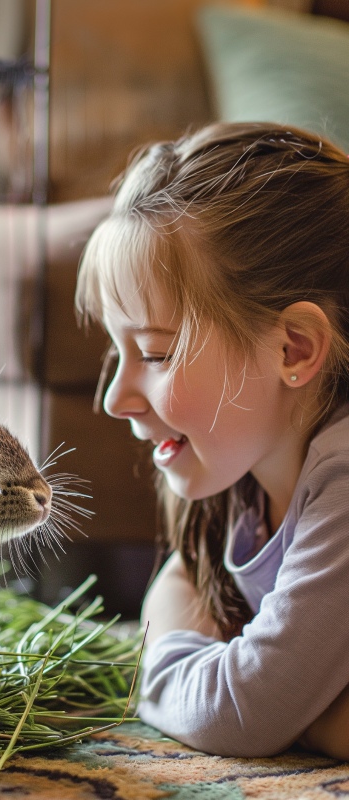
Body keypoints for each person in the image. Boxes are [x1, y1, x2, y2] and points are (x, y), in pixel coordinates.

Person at [75, 121, 349, 759]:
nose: (116, 399)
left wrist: (166, 658)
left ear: (294, 349)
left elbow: (242, 712)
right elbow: (181, 585)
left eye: (155, 352)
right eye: (119, 353)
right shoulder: (251, 473)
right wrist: (323, 717)